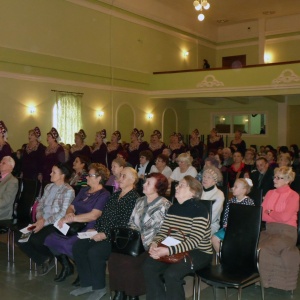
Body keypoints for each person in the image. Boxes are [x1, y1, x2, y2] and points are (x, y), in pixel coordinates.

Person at [70, 167, 140, 300]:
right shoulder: (115, 195)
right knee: (79, 246)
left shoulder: (134, 198)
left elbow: (124, 222)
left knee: (95, 252)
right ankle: (87, 283)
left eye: (124, 176)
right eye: (120, 176)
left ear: (133, 179)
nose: (120, 178)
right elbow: (103, 216)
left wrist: (105, 234)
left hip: (118, 238)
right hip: (103, 231)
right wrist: (96, 228)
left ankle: (99, 288)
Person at [143, 176, 212, 300]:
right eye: (177, 185)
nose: (176, 187)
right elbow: (163, 231)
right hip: (175, 248)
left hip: (198, 252)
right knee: (149, 266)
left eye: (181, 185)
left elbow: (194, 241)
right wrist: (155, 243)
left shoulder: (200, 210)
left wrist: (168, 251)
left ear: (193, 192)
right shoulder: (173, 208)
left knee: (172, 274)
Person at [108, 173, 171, 300]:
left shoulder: (164, 205)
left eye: (148, 183)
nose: (144, 184)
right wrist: (135, 235)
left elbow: (164, 230)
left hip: (152, 245)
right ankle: (120, 292)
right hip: (135, 242)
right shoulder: (140, 201)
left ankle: (133, 294)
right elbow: (131, 222)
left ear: (157, 187)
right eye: (145, 182)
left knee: (130, 262)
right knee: (114, 258)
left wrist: (147, 239)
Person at [44, 163, 111, 283]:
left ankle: (83, 270)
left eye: (90, 175)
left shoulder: (104, 194)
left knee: (70, 245)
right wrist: (70, 213)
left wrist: (73, 218)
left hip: (90, 226)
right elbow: (71, 206)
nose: (87, 177)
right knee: (51, 239)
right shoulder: (84, 190)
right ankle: (66, 266)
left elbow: (94, 215)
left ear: (99, 178)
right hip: (74, 224)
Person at [17, 163, 75, 275]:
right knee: (21, 238)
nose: (50, 174)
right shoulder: (48, 187)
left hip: (56, 223)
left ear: (62, 175)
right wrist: (40, 219)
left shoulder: (68, 190)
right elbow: (40, 205)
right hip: (41, 221)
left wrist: (44, 222)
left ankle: (51, 255)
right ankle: (43, 259)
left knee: (36, 239)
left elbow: (62, 213)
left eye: (54, 172)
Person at [258, 166, 299, 290]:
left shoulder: (294, 196)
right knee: (252, 245)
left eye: (279, 178)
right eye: (274, 177)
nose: (274, 180)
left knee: (264, 249)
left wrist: (270, 212)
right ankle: (254, 277)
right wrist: (273, 214)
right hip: (269, 230)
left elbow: (286, 217)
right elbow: (262, 215)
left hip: (287, 232)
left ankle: (265, 281)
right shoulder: (270, 193)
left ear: (287, 180)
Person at [211, 178, 254, 253]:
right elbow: (226, 215)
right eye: (233, 186)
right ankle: (223, 257)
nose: (232, 188)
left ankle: (231, 257)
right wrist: (225, 224)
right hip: (229, 229)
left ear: (244, 190)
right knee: (214, 239)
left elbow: (249, 219)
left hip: (242, 231)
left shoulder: (249, 202)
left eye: (236, 187)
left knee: (234, 242)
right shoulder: (231, 201)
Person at [201, 167, 225, 235]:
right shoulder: (198, 190)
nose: (205, 179)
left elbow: (213, 217)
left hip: (210, 226)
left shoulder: (219, 194)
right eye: (204, 176)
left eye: (209, 177)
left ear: (215, 181)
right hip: (194, 223)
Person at [0, 156, 19, 220]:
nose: (0, 164)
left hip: (2, 213)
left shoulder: (12, 181)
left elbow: (6, 201)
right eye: (1, 162)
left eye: (3, 163)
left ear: (10, 167)